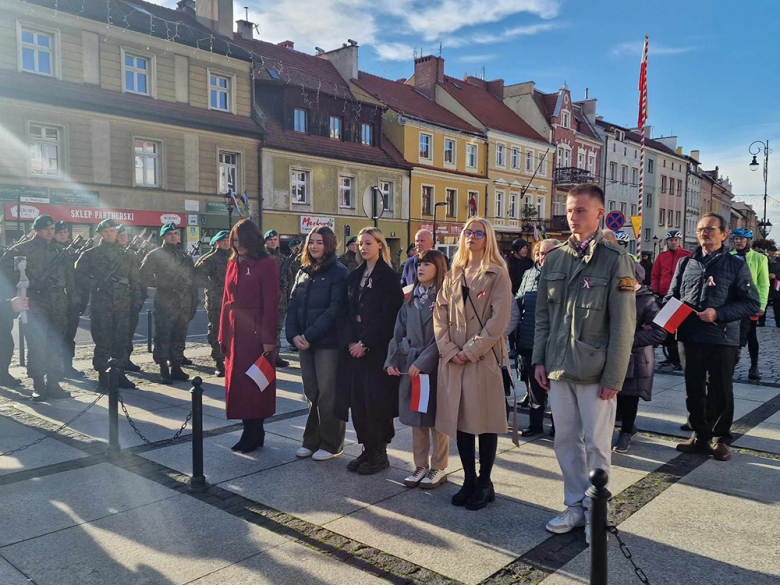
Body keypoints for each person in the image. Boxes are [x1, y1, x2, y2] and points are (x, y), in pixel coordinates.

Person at [533, 184, 636, 543]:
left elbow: (624, 324)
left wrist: (615, 376)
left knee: (596, 443)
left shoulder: (614, 258)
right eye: (569, 210)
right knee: (564, 441)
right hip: (559, 367)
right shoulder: (557, 257)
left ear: (598, 214)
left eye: (580, 211)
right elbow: (543, 315)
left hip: (595, 371)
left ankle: (597, 510)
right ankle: (575, 504)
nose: (573, 217)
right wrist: (539, 360)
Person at [667, 214, 760, 462]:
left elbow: (752, 304)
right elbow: (672, 296)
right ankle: (700, 435)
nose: (704, 233)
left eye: (710, 229)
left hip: (723, 337)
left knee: (720, 390)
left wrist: (718, 313)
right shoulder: (686, 263)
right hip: (690, 336)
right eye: (700, 229)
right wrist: (665, 323)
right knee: (693, 389)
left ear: (724, 234)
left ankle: (720, 438)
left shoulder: (736, 265)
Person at [435, 217, 512, 511]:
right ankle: (468, 479)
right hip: (454, 359)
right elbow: (439, 315)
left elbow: (498, 321)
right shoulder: (454, 272)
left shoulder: (497, 274)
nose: (472, 237)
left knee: (486, 421)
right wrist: (448, 349)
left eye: (479, 233)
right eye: (468, 232)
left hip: (482, 360)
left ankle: (485, 481)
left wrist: (470, 350)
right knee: (462, 421)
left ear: (488, 238)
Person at [336, 227, 404, 475]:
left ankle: (379, 452)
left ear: (380, 245)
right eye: (360, 243)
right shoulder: (354, 276)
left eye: (368, 243)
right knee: (359, 401)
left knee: (377, 402)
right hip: (354, 350)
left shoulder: (388, 277)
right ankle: (367, 448)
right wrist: (350, 342)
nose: (363, 247)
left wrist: (365, 343)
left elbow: (389, 316)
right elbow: (345, 312)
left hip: (377, 350)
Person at [386, 249, 449, 489]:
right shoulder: (410, 298)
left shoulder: (443, 297)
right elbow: (397, 332)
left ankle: (439, 467)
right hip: (410, 365)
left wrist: (422, 363)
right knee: (417, 418)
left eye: (427, 264)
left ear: (439, 268)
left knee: (436, 420)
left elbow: (442, 337)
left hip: (433, 366)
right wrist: (392, 360)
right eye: (419, 264)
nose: (420, 268)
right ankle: (420, 465)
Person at [286, 226, 349, 461]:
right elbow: (292, 305)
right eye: (311, 241)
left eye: (319, 242)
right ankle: (311, 441)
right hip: (305, 343)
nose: (314, 246)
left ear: (329, 245)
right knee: (311, 392)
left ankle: (332, 444)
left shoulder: (339, 272)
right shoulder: (303, 271)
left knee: (327, 394)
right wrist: (293, 335)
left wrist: (309, 335)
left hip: (327, 343)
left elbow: (334, 310)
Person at [0, 215, 76, 401]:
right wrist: (30, 285)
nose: (49, 231)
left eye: (51, 228)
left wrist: (74, 300)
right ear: (36, 230)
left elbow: (70, 278)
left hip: (58, 303)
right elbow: (7, 276)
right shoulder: (20, 251)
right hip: (34, 304)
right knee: (36, 343)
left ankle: (54, 383)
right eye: (45, 228)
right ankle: (38, 384)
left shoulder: (61, 252)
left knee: (55, 343)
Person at [219, 219, 279, 454]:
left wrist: (268, 339)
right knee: (238, 386)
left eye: (240, 240)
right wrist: (222, 334)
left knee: (256, 384)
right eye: (234, 240)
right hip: (235, 331)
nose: (236, 244)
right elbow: (225, 299)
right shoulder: (233, 263)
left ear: (251, 240)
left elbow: (271, 304)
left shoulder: (267, 264)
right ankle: (247, 430)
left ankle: (256, 432)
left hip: (255, 331)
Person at [75, 219, 139, 390]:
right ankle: (103, 375)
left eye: (112, 231)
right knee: (103, 341)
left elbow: (135, 281)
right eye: (106, 232)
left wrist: (136, 301)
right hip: (101, 305)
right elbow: (79, 277)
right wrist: (95, 284)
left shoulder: (128, 255)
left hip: (123, 305)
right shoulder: (90, 254)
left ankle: (120, 374)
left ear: (117, 233)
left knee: (121, 340)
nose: (109, 234)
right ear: (100, 234)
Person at [613, 263, 666, 453]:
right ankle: (626, 427)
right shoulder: (615, 295)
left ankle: (626, 431)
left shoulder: (647, 299)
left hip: (636, 357)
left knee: (629, 396)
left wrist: (628, 340)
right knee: (614, 395)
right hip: (614, 354)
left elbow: (659, 332)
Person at [139, 223, 198, 384]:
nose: (173, 236)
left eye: (176, 233)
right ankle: (163, 368)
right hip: (166, 302)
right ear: (163, 236)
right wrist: (165, 284)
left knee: (180, 335)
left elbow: (192, 281)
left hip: (184, 303)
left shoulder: (185, 256)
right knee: (163, 335)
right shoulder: (155, 255)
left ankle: (176, 366)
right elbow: (143, 277)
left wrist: (194, 301)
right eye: (170, 234)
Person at [515, 239, 559, 437]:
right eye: (541, 253)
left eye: (548, 253)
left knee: (557, 389)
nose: (543, 257)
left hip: (555, 342)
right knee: (534, 387)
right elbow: (519, 300)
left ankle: (558, 426)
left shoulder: (563, 275)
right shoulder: (529, 273)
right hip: (528, 338)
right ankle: (535, 425)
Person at [731, 228, 769, 380]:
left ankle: (754, 366)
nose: (737, 241)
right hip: (733, 303)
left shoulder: (759, 258)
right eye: (735, 239)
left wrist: (762, 305)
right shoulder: (728, 256)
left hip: (750, 302)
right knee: (732, 334)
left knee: (751, 335)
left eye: (741, 239)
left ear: (748, 241)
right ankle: (731, 364)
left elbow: (764, 283)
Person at [652, 230, 691, 369]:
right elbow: (655, 274)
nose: (673, 242)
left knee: (677, 329)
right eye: (670, 240)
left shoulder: (687, 256)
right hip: (664, 296)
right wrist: (656, 291)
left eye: (675, 240)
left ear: (679, 241)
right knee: (666, 329)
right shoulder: (662, 257)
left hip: (680, 297)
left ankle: (679, 359)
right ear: (667, 242)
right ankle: (670, 357)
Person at [194, 230, 230, 377]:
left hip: (233, 300)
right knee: (216, 331)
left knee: (232, 331)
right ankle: (219, 361)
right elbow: (197, 277)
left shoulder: (235, 257)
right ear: (216, 242)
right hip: (216, 300)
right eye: (223, 240)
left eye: (228, 240)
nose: (226, 242)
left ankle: (230, 359)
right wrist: (214, 285)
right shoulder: (209, 259)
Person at [55, 222, 87, 379]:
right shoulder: (50, 252)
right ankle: (54, 369)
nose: (62, 234)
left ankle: (67, 367)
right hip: (54, 301)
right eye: (59, 232)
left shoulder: (75, 253)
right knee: (55, 336)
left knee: (69, 336)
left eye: (65, 232)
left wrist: (82, 300)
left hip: (72, 300)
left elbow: (82, 279)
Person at [118, 226, 146, 373]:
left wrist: (139, 299)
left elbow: (139, 279)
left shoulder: (133, 255)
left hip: (131, 300)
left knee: (129, 333)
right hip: (117, 302)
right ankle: (116, 363)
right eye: (120, 235)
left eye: (125, 235)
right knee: (117, 335)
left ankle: (126, 359)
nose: (123, 237)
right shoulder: (112, 255)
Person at [264, 229, 291, 368]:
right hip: (266, 298)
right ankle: (266, 355)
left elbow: (289, 278)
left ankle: (276, 355)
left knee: (278, 328)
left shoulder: (283, 258)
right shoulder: (261, 257)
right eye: (270, 240)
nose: (273, 242)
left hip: (281, 298)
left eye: (275, 239)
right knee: (266, 328)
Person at [761, 245, 780, 327]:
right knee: (764, 304)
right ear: (768, 252)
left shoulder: (779, 260)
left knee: (778, 305)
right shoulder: (764, 260)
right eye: (772, 251)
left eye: (775, 251)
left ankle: (778, 322)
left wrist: (775, 275)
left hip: (777, 285)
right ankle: (761, 321)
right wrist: (766, 275)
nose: (774, 253)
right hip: (766, 284)